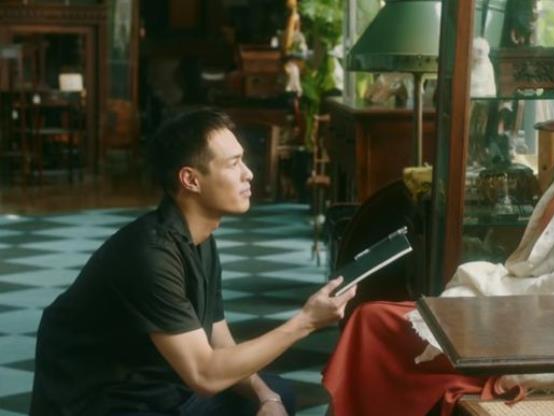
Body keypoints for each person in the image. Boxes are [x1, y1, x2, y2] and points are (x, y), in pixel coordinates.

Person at [322, 38, 554, 416]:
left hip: (540, 332)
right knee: (373, 320)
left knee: (371, 323)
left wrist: (492, 302)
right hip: (517, 310)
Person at [30, 109, 356, 416]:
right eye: (234, 164)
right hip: (106, 401)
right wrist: (305, 322)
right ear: (191, 180)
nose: (249, 173)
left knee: (277, 395)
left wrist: (265, 397)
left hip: (160, 386)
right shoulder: (149, 255)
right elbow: (204, 375)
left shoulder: (200, 238)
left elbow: (220, 342)